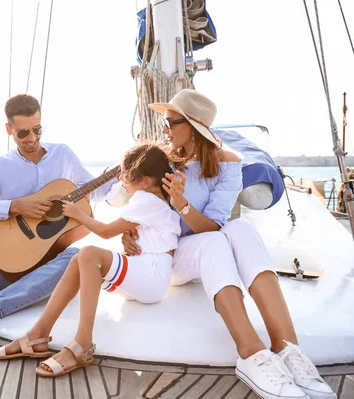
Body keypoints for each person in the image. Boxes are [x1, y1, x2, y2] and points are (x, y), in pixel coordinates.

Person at [121, 89, 336, 399]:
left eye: (170, 122)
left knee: (241, 228)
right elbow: (131, 202)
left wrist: (181, 204)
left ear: (192, 126)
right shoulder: (158, 161)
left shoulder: (227, 166)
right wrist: (127, 231)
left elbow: (214, 225)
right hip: (167, 257)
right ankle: (250, 353)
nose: (164, 129)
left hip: (205, 247)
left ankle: (288, 349)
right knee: (214, 242)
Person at [0, 142, 181, 378]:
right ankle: (38, 334)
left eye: (127, 175)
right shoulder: (154, 200)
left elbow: (106, 231)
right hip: (147, 274)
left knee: (89, 253)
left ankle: (82, 344)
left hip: (150, 275)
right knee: (80, 258)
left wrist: (77, 213)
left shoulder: (146, 200)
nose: (122, 179)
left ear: (146, 181)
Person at [0, 93, 113, 341]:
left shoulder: (63, 154)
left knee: (77, 258)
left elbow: (93, 190)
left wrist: (123, 174)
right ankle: (25, 286)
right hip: (16, 254)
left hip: (54, 257)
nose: (32, 138)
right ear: (9, 129)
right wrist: (14, 206)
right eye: (23, 133)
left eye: (37, 129)